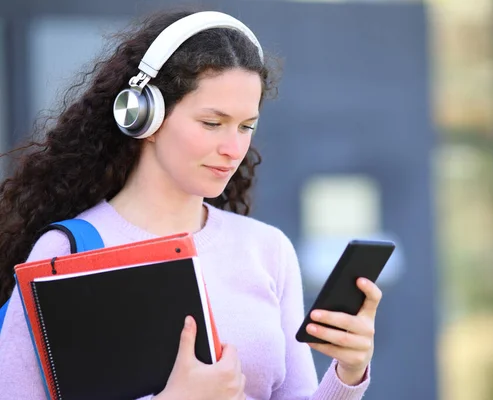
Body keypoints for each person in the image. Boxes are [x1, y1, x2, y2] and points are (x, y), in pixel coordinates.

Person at [0, 8, 382, 400]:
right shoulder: (64, 252)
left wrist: (347, 374)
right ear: (143, 116)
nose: (234, 149)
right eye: (212, 123)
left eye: (246, 126)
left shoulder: (267, 250)